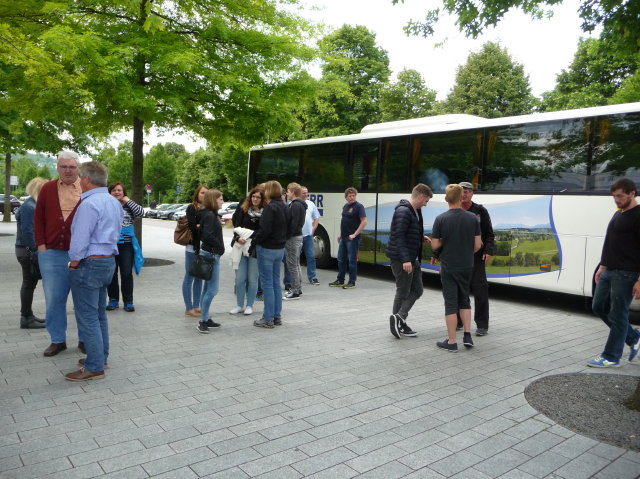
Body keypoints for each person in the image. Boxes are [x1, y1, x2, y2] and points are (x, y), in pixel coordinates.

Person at [65, 162, 123, 381]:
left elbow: (80, 239)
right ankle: (100, 357)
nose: (78, 180)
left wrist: (74, 262)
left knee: (88, 316)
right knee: (99, 314)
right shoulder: (113, 202)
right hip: (108, 262)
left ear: (87, 180)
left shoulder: (88, 204)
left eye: (80, 177)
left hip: (89, 264)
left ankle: (94, 366)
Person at [35, 150, 83, 357]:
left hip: (81, 254)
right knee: (54, 299)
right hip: (52, 253)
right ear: (57, 167)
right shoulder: (48, 188)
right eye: (64, 166)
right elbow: (38, 218)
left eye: (72, 167)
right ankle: (57, 340)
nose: (68, 170)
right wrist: (41, 245)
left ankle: (85, 338)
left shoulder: (87, 188)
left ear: (78, 168)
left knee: (83, 299)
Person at [588, 178, 640, 367]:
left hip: (626, 273)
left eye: (620, 196)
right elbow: (610, 241)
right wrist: (602, 266)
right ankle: (634, 337)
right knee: (598, 306)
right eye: (614, 196)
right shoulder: (619, 213)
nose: (616, 200)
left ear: (632, 193)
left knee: (618, 315)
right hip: (609, 270)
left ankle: (611, 357)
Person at [430, 184, 481, 352]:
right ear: (461, 198)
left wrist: (446, 241)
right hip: (467, 265)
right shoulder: (472, 218)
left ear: (446, 199)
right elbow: (477, 245)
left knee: (451, 303)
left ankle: (452, 341)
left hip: (449, 266)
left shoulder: (440, 219)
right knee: (465, 299)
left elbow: (435, 245)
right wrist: (465, 251)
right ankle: (467, 335)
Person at [387, 184, 433, 339]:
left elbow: (407, 232)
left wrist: (419, 237)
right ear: (420, 196)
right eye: (426, 200)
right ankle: (398, 322)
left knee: (417, 290)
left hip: (412, 257)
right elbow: (398, 236)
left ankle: (399, 318)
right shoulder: (403, 211)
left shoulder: (414, 210)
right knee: (402, 291)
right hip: (402, 259)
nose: (426, 204)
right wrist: (405, 259)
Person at [455, 181, 495, 336]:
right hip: (458, 257)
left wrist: (489, 250)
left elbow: (489, 234)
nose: (464, 194)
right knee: (459, 290)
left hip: (477, 257)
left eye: (467, 191)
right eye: (461, 191)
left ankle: (482, 325)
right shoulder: (454, 209)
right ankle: (458, 321)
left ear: (472, 193)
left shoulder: (480, 211)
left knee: (480, 290)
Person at [252, 180, 288, 328]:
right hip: (280, 248)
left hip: (267, 248)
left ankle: (267, 318)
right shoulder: (285, 206)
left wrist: (255, 240)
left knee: (267, 284)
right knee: (275, 283)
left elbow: (264, 230)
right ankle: (276, 316)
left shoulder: (270, 207)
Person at [15, 177, 48, 329]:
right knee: (29, 283)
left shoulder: (31, 204)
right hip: (27, 251)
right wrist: (36, 249)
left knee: (30, 283)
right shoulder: (30, 206)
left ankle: (28, 315)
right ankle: (26, 317)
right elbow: (28, 231)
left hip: (25, 250)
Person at [106, 182, 144, 312]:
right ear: (109, 193)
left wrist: (127, 200)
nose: (117, 192)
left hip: (126, 245)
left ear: (124, 192)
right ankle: (113, 300)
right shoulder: (107, 205)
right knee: (111, 273)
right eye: (114, 190)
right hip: (110, 244)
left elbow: (141, 213)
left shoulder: (129, 205)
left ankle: (128, 301)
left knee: (126, 273)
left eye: (119, 190)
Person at [230, 186, 265, 315]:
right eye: (253, 197)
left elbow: (263, 230)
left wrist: (250, 235)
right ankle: (239, 305)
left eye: (258, 197)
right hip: (240, 246)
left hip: (255, 247)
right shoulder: (243, 209)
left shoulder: (265, 212)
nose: (255, 199)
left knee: (252, 278)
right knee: (240, 278)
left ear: (262, 199)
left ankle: (250, 305)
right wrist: (238, 238)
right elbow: (236, 226)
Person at [196, 189, 225, 334]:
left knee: (207, 289)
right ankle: (202, 321)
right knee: (212, 290)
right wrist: (219, 245)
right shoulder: (209, 216)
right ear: (214, 200)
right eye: (221, 199)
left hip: (210, 254)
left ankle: (205, 317)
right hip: (211, 255)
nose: (223, 202)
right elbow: (206, 235)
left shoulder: (210, 214)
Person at [329, 187, 367, 289]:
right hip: (344, 237)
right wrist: (340, 234)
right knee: (341, 259)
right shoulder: (345, 206)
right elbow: (344, 221)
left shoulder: (359, 207)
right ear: (346, 197)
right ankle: (340, 280)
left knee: (352, 261)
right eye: (350, 196)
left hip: (352, 239)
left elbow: (364, 221)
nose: (352, 197)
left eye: (353, 195)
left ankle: (352, 282)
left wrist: (355, 234)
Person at [183, 185, 207, 318]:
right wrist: (202, 227)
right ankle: (188, 307)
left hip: (203, 248)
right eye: (202, 193)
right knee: (189, 277)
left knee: (199, 277)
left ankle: (197, 305)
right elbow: (193, 227)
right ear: (197, 194)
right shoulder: (192, 207)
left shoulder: (208, 208)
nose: (204, 195)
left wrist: (200, 226)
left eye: (206, 193)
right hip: (192, 248)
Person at [283, 182, 307, 300]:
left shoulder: (296, 205)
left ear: (292, 192)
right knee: (296, 264)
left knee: (292, 265)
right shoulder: (299, 204)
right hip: (297, 236)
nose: (287, 194)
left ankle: (295, 290)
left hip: (293, 238)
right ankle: (297, 288)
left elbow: (294, 223)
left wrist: (287, 235)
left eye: (288, 191)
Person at [301, 186, 321, 286]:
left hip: (308, 236)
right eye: (304, 193)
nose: (306, 194)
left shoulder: (311, 204)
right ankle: (295, 279)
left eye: (307, 193)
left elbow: (316, 218)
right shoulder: (294, 204)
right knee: (294, 259)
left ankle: (312, 277)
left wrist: (313, 229)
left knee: (311, 257)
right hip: (297, 236)